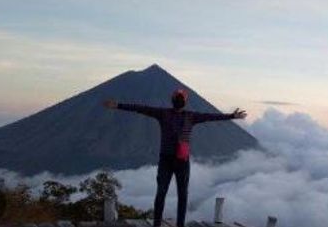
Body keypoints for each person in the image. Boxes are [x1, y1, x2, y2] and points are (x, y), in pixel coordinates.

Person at [103, 89, 246, 227]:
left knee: (176, 194)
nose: (178, 100)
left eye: (180, 98)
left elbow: (211, 117)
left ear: (179, 101)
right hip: (172, 160)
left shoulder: (174, 115)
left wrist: (232, 116)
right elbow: (141, 108)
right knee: (167, 194)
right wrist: (118, 105)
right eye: (178, 98)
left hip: (176, 160)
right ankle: (159, 224)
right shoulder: (177, 115)